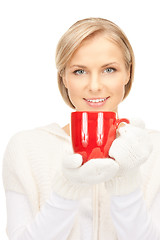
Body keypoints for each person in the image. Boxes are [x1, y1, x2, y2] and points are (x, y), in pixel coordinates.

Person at [2, 17, 160, 240]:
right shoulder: (25, 147)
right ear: (64, 78)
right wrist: (66, 191)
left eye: (109, 70)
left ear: (127, 73)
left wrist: (127, 184)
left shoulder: (154, 148)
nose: (94, 86)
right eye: (79, 71)